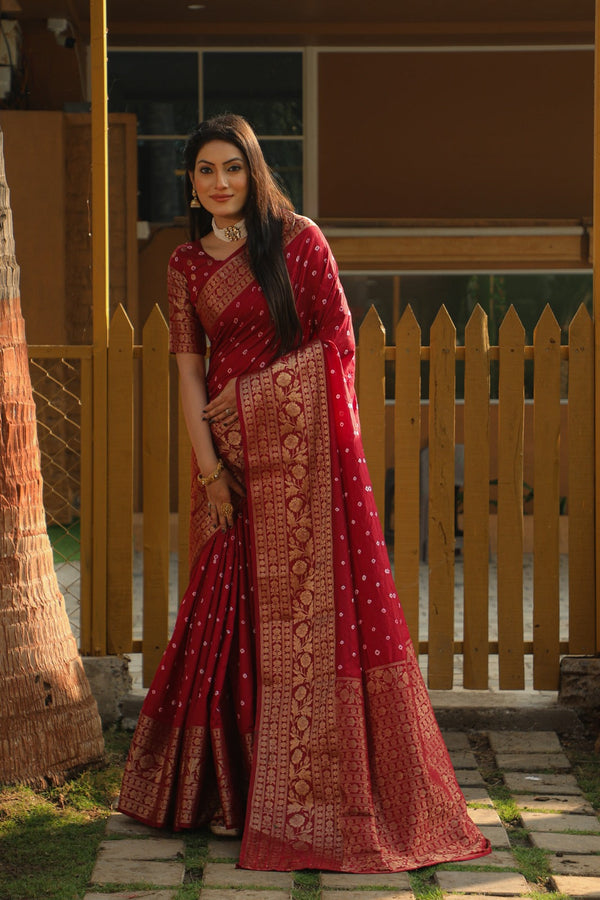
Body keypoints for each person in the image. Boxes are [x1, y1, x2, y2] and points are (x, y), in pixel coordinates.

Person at [118, 113, 490, 873]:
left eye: (233, 168)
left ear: (255, 172)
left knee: (309, 629)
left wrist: (257, 398)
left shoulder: (298, 241)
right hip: (226, 458)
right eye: (205, 172)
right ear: (189, 183)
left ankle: (311, 798)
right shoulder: (187, 263)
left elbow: (337, 345)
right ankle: (231, 793)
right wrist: (211, 471)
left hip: (304, 467)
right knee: (231, 622)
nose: (220, 184)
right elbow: (189, 373)